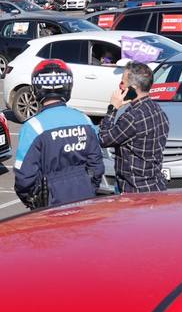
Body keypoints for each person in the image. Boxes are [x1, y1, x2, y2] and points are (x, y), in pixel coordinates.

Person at [13, 60, 104, 209]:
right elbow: (97, 166)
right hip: (85, 198)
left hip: (49, 204)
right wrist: (88, 188)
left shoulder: (33, 127)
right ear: (68, 87)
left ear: (37, 88)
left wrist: (34, 202)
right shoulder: (84, 120)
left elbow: (24, 178)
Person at [100, 62, 169, 193]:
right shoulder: (158, 110)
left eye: (122, 82)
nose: (120, 86)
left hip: (134, 190)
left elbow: (104, 139)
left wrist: (112, 108)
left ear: (133, 88)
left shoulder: (131, 118)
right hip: (156, 185)